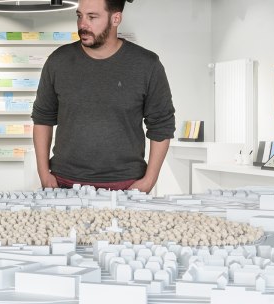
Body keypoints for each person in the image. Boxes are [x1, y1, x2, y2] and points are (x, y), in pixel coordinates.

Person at [31, 0, 176, 193]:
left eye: (92, 17)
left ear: (116, 19)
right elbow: (42, 119)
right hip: (63, 184)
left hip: (126, 186)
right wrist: (43, 172)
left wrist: (149, 180)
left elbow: (161, 125)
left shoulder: (147, 65)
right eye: (79, 15)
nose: (83, 24)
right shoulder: (58, 61)